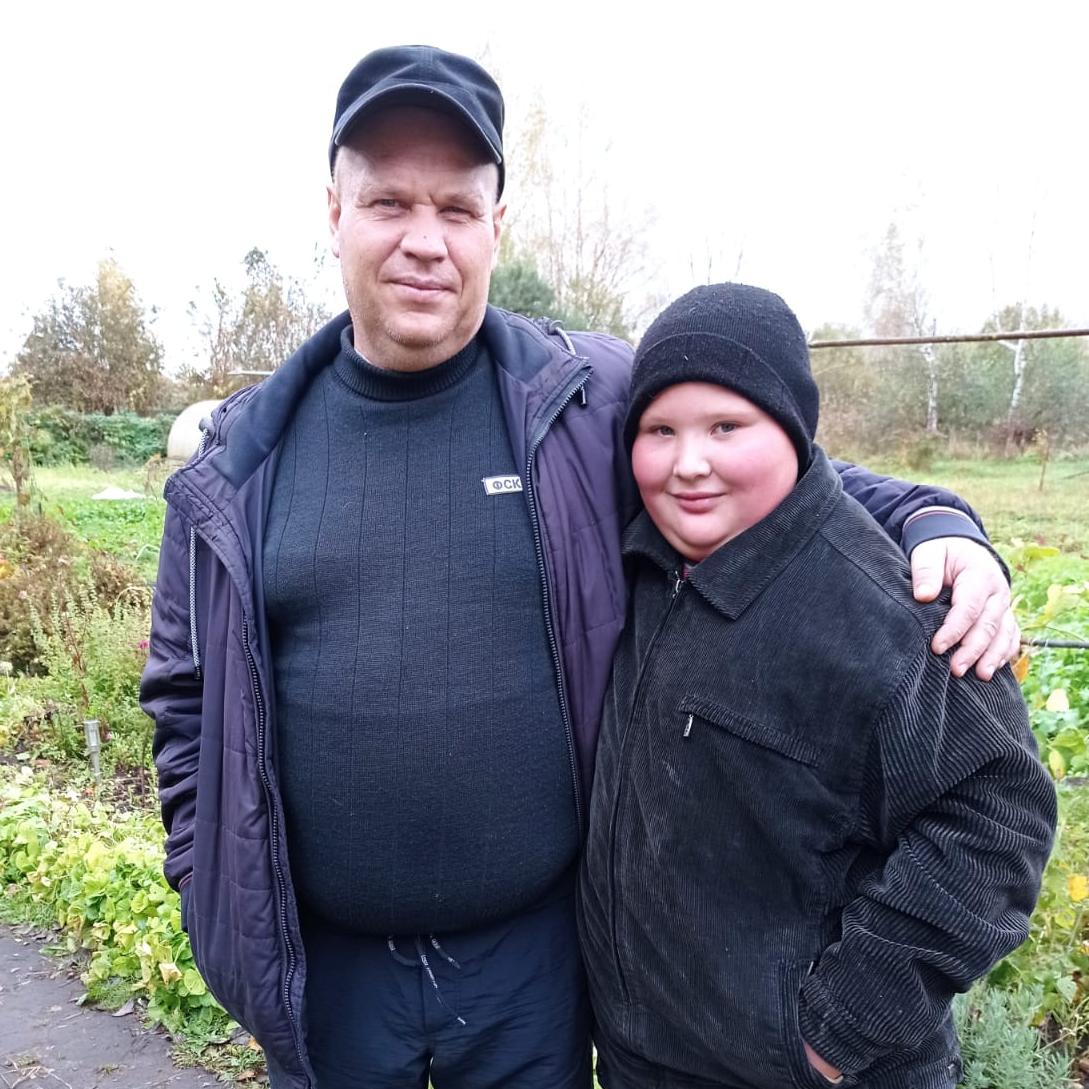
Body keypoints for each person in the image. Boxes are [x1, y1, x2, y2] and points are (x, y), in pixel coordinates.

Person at [141, 45, 1021, 1089]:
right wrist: (207, 877)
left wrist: (935, 519)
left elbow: (764, 466)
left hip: (534, 970)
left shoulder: (579, 400)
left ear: (496, 227)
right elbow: (182, 697)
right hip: (330, 977)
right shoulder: (243, 460)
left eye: (457, 209)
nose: (425, 241)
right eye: (388, 203)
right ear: (333, 213)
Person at [578, 282, 1056, 1089]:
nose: (687, 462)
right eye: (659, 430)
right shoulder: (646, 565)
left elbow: (997, 819)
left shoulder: (891, 612)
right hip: (648, 1062)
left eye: (725, 426)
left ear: (793, 433)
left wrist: (832, 1035)